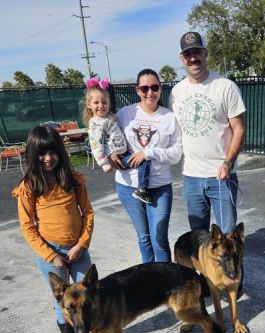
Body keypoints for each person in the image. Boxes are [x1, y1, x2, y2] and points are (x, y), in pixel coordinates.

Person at [12, 126, 96, 333]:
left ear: (60, 152)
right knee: (63, 303)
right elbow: (27, 227)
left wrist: (82, 244)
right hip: (51, 254)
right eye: (42, 153)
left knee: (86, 296)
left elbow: (87, 212)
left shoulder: (73, 180)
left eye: (52, 152)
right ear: (32, 154)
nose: (48, 158)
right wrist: (51, 255)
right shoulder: (29, 187)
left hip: (78, 250)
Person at [169, 31, 246, 294]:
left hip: (221, 176)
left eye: (197, 52)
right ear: (182, 58)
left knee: (229, 237)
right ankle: (208, 284)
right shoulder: (176, 93)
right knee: (201, 238)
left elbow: (239, 129)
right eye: (188, 54)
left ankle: (234, 283)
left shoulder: (225, 86)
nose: (193, 58)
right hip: (191, 177)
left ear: (205, 54)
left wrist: (228, 161)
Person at [108, 68, 182, 263]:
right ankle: (147, 283)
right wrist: (110, 152)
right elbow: (106, 133)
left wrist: (148, 153)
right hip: (128, 186)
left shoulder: (169, 118)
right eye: (145, 88)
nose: (150, 93)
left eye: (154, 87)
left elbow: (176, 154)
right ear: (137, 90)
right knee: (144, 238)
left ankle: (166, 285)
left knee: (159, 239)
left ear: (160, 88)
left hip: (159, 188)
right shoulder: (126, 113)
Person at [83, 77, 154, 204]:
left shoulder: (109, 117)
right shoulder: (96, 124)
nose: (101, 106)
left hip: (123, 152)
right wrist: (104, 163)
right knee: (144, 161)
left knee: (142, 158)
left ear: (109, 103)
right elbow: (96, 146)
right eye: (96, 103)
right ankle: (142, 189)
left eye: (104, 102)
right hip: (118, 159)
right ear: (89, 105)